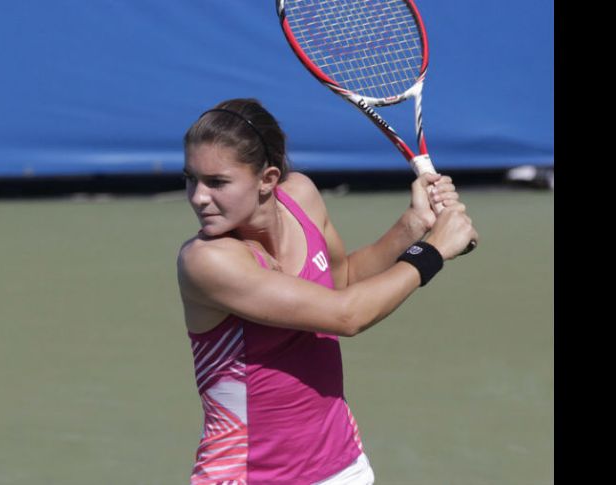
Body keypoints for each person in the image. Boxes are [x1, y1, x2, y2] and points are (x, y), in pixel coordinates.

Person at [177, 98, 478, 484]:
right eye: (191, 179)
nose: (198, 197)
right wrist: (433, 251)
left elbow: (343, 280)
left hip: (342, 466)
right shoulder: (208, 261)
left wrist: (414, 224)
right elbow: (345, 315)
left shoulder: (301, 195)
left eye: (217, 182)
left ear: (268, 179)